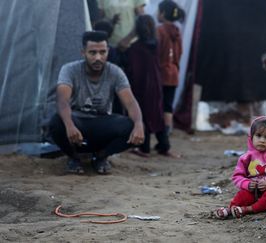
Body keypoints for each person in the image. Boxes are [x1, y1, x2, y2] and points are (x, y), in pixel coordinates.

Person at [49, 31, 144, 174]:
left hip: (102, 123)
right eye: (92, 53)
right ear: (83, 53)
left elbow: (130, 102)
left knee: (132, 125)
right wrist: (69, 125)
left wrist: (138, 125)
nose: (98, 58)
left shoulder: (115, 72)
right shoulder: (70, 69)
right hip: (77, 124)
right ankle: (74, 158)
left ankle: (100, 157)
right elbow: (62, 101)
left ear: (108, 52)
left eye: (102, 52)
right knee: (56, 122)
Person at [214, 116, 266, 219]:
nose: (262, 140)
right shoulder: (246, 157)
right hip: (252, 192)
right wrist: (247, 184)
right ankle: (231, 208)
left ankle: (248, 209)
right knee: (242, 195)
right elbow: (237, 177)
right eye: (258, 135)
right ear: (251, 136)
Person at [126, 15, 172, 157]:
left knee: (142, 113)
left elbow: (131, 68)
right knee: (157, 113)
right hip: (156, 83)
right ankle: (164, 146)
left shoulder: (134, 48)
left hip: (140, 85)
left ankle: (143, 147)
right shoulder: (156, 45)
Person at [157, 0, 185, 134]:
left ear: (162, 14)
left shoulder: (160, 30)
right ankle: (166, 133)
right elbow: (179, 52)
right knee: (168, 106)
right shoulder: (177, 31)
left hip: (161, 73)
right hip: (173, 74)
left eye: (158, 11)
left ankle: (159, 133)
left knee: (157, 104)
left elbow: (157, 52)